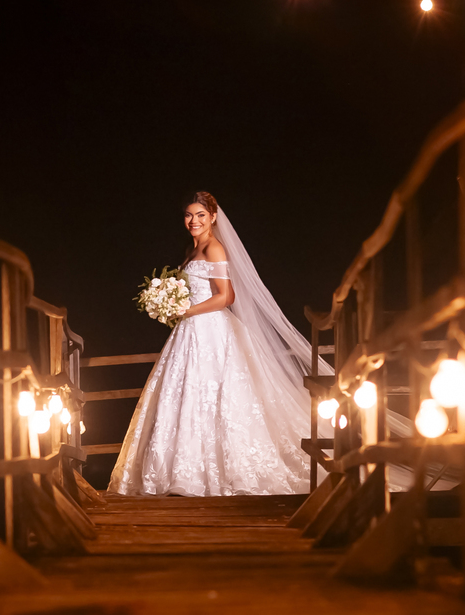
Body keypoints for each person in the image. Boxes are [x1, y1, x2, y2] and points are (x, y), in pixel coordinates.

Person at [109, 191, 314, 496]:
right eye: (189, 215)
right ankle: (184, 473)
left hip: (209, 329)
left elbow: (226, 296)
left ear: (213, 217)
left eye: (201, 215)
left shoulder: (214, 247)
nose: (194, 221)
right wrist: (169, 304)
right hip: (189, 330)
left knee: (215, 395)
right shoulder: (192, 249)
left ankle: (221, 474)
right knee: (183, 395)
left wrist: (186, 310)